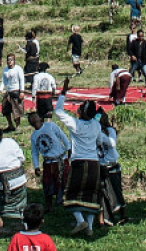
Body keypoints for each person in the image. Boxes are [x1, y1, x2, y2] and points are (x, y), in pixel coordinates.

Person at [54, 77, 102, 237]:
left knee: (71, 192)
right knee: (91, 194)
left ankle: (79, 220)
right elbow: (98, 135)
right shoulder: (96, 124)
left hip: (79, 162)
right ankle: (89, 227)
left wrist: (64, 92)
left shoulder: (76, 124)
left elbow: (59, 111)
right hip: (94, 163)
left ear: (81, 112)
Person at [0, 125, 28, 232]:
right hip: (19, 180)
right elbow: (22, 158)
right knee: (23, 207)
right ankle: (26, 229)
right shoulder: (10, 142)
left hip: (2, 184)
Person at [28, 112, 69, 208]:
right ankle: (49, 205)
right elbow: (35, 152)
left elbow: (63, 136)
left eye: (35, 116)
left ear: (40, 118)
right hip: (48, 163)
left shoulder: (50, 126)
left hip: (60, 159)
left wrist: (69, 148)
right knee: (47, 184)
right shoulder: (34, 136)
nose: (33, 118)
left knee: (63, 182)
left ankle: (64, 202)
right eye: (31, 118)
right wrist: (36, 166)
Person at [97, 111, 127, 226]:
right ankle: (103, 219)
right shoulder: (95, 132)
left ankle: (123, 215)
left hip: (112, 166)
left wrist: (100, 134)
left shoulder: (110, 131)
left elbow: (112, 143)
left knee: (117, 191)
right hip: (102, 166)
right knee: (102, 194)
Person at [0, 54, 25, 131]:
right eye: (8, 60)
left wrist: (22, 92)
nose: (9, 61)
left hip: (16, 91)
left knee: (17, 110)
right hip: (8, 91)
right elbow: (4, 81)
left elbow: (22, 80)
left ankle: (18, 126)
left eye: (11, 60)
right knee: (6, 109)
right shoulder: (5, 70)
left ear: (14, 61)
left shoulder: (18, 69)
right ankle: (10, 125)